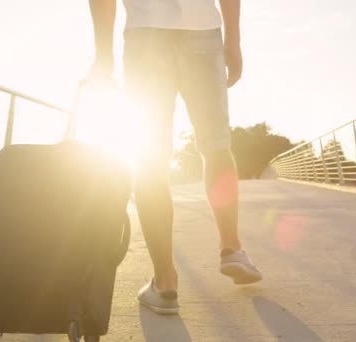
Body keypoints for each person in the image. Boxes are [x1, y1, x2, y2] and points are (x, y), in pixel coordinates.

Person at [87, 0, 262, 315]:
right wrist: (233, 41)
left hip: (145, 35)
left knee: (150, 159)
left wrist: (103, 57)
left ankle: (165, 282)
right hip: (203, 31)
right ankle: (232, 249)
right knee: (216, 146)